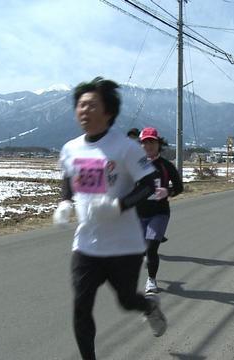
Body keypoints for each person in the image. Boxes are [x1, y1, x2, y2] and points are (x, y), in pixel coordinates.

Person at [53, 77, 167, 360]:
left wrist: (118, 206)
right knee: (81, 307)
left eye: (92, 105)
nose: (84, 110)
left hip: (124, 245)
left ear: (108, 111)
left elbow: (149, 183)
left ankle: (149, 307)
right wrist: (65, 201)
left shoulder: (126, 148)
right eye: (80, 105)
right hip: (87, 245)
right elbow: (69, 176)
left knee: (127, 301)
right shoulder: (71, 148)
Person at [136, 127, 183, 294]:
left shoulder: (166, 166)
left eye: (152, 142)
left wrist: (167, 191)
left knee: (151, 249)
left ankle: (151, 281)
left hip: (160, 212)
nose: (148, 146)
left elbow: (179, 187)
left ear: (158, 144)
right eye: (144, 143)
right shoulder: (135, 165)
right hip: (138, 214)